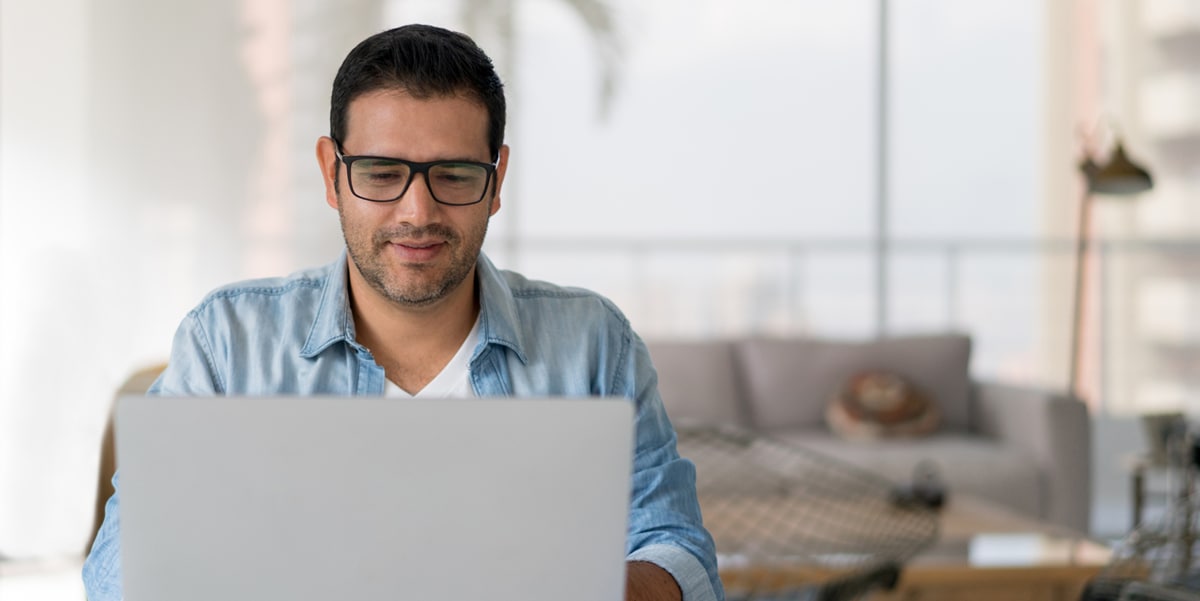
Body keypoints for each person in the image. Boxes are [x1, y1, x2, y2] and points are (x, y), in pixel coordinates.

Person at [83, 23, 723, 601]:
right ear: (331, 175)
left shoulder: (594, 344)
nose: (418, 212)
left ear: (496, 181)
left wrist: (574, 584)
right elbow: (117, 569)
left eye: (453, 174)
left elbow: (681, 553)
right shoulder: (227, 342)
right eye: (383, 173)